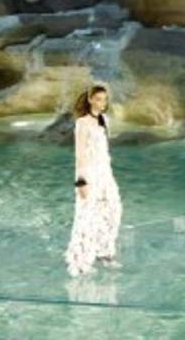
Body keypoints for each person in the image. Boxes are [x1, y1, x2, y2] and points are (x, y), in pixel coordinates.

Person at [64, 85, 122, 277]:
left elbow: (103, 150)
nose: (102, 103)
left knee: (113, 209)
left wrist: (109, 173)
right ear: (90, 99)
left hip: (105, 171)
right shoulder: (82, 123)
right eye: (98, 99)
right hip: (88, 174)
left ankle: (104, 252)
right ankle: (80, 261)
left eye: (104, 99)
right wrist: (81, 182)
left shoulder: (103, 119)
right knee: (86, 215)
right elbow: (80, 154)